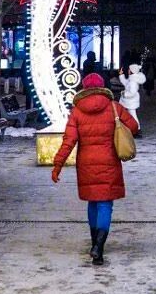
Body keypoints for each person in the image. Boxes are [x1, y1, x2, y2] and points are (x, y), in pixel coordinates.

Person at [51, 73, 139, 265]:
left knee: (93, 202)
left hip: (86, 164)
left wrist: (58, 165)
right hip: (109, 162)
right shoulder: (114, 107)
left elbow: (69, 141)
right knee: (105, 204)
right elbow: (133, 126)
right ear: (102, 86)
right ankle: (98, 247)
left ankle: (94, 243)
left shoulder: (77, 111)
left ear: (84, 88)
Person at [121, 63, 144, 133]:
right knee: (131, 114)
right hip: (130, 101)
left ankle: (137, 129)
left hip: (131, 101)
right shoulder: (132, 79)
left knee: (133, 115)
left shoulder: (133, 82)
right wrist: (121, 75)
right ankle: (135, 128)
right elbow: (126, 83)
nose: (128, 70)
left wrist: (124, 94)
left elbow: (132, 92)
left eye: (129, 69)